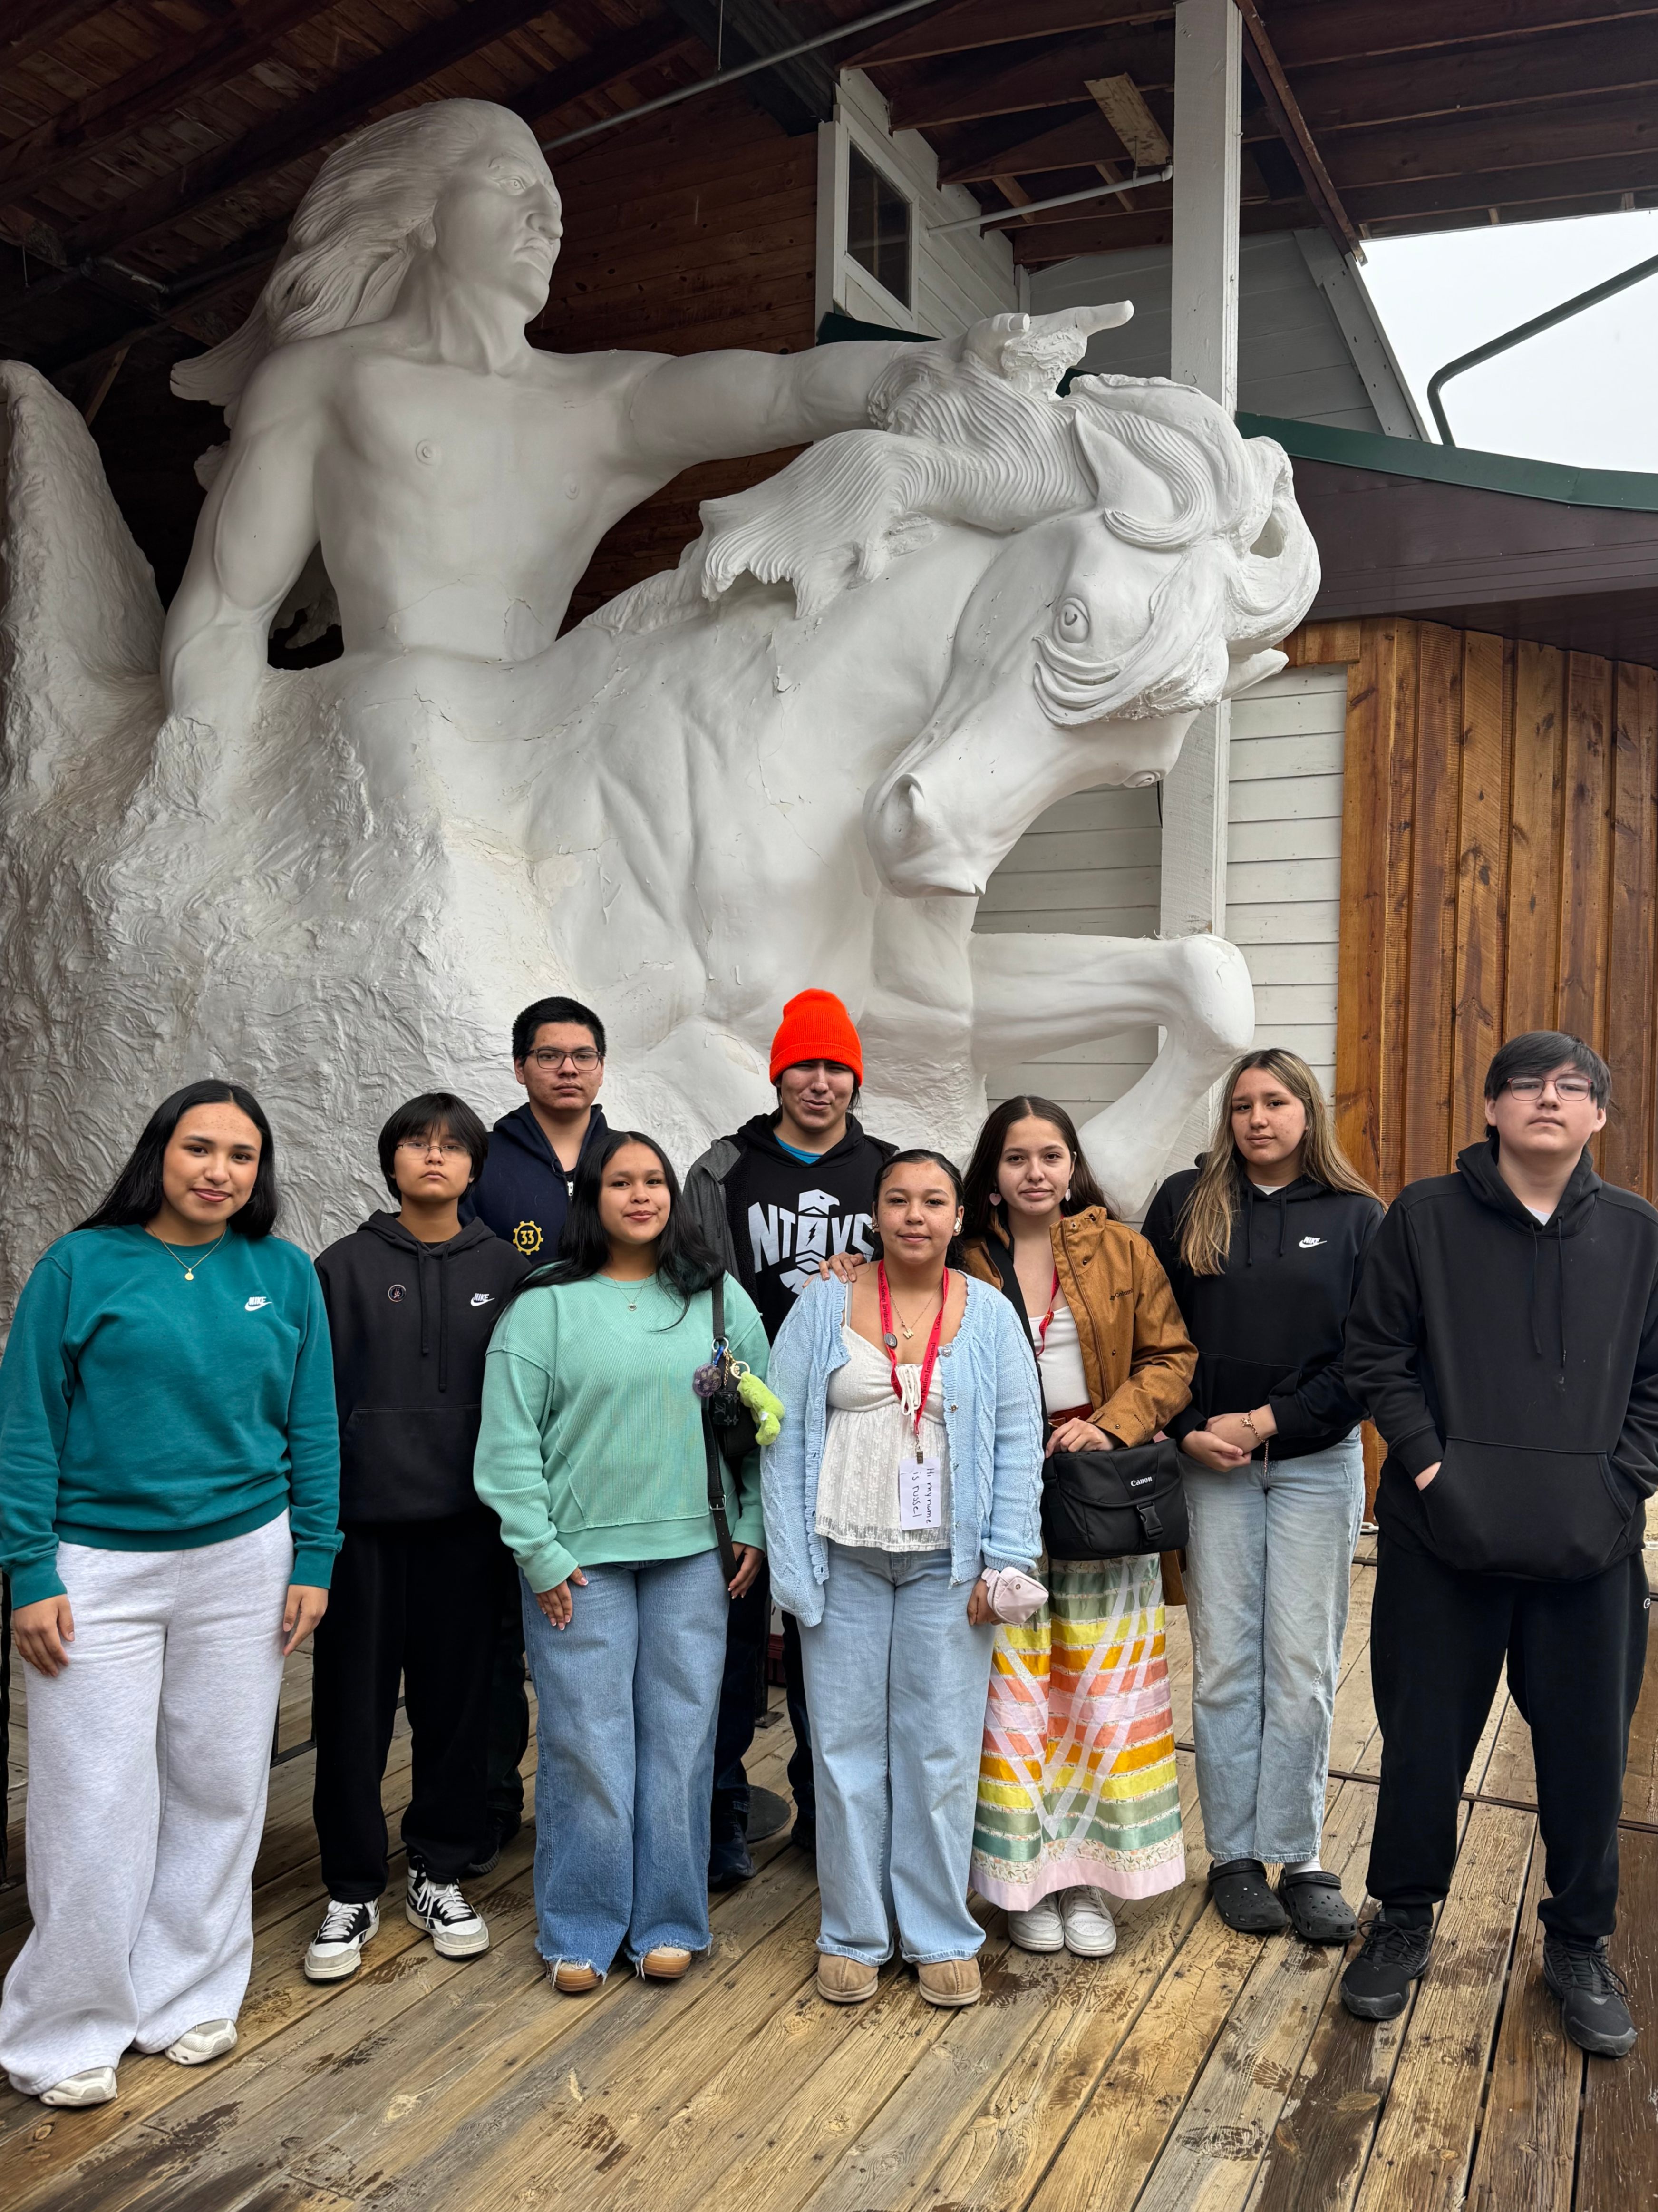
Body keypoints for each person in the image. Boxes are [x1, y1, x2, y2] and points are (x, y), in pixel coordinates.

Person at [0, 1081, 340, 2107]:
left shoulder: (280, 1274)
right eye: (200, 1148)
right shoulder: (80, 1266)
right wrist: (29, 1567)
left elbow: (313, 1424)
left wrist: (315, 1556)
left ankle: (185, 1991)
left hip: (245, 1562)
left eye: (241, 1155)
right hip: (96, 1566)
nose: (218, 1171)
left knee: (219, 1781)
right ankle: (66, 2028)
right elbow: (27, 1424)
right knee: (92, 1795)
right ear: (160, 1153)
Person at [1342, 1033, 1657, 2057]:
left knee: (1585, 1759)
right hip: (1443, 1541)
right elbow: (1376, 1355)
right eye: (1526, 1084)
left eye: (1573, 1089)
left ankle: (1576, 1942)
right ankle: (1401, 1918)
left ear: (1599, 1119)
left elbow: (1654, 1384)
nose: (1549, 1100)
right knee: (1423, 1741)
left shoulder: (1639, 1235)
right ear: (1489, 1107)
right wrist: (1433, 1470)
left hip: (1590, 1548)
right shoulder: (1421, 1220)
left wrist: (1621, 1487)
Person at [473, 1131, 768, 1994]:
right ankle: (582, 1923)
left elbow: (757, 1422)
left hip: (693, 1555)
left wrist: (748, 1523)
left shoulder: (715, 1300)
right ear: (591, 1198)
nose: (639, 1196)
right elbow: (507, 1447)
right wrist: (539, 1553)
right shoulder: (544, 1306)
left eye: (654, 1182)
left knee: (681, 1742)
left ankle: (670, 1919)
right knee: (584, 1744)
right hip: (578, 1565)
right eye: (619, 1182)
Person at [763, 1149, 1042, 2010]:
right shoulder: (821, 1307)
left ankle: (936, 1931)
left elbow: (1015, 1446)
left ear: (959, 1217)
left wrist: (1003, 1563)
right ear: (874, 1215)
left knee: (940, 1750)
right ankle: (853, 1930)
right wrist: (794, 1569)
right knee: (845, 1750)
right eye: (897, 1201)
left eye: (932, 1202)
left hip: (946, 1570)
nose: (915, 1216)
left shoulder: (990, 1315)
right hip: (842, 1556)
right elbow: (781, 1445)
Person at [1142, 1050, 1382, 1945]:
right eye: (1242, 1104)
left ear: (1307, 1112)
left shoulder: (1359, 1219)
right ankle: (1235, 1855)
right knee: (1228, 1659)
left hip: (1315, 1465)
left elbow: (1368, 1357)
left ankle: (1299, 1851)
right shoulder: (1186, 1201)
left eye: (1276, 1102)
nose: (1257, 1119)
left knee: (1303, 1665)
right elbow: (1154, 1329)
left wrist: (1267, 1420)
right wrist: (1194, 1425)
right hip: (1213, 1466)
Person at [960, 1098, 1196, 1957]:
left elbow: (1173, 1358)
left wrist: (1116, 1422)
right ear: (991, 1172)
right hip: (996, 1500)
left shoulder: (1122, 1248)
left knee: (1102, 1693)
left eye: (1051, 1155)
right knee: (1014, 1698)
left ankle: (1093, 1877)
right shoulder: (958, 1256)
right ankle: (1024, 1882)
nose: (1035, 1172)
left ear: (1072, 1166)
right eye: (1017, 1157)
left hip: (1098, 1493)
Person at [303, 1094, 529, 1983]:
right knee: (350, 1713)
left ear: (476, 1168)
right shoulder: (341, 1267)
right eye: (415, 1144)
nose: (433, 1158)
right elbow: (314, 1408)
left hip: (468, 1532)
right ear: (391, 1160)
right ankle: (353, 1885)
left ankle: (438, 1869)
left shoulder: (513, 1271)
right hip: (361, 1531)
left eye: (451, 1147)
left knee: (458, 1708)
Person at [684, 989, 897, 1883]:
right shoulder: (726, 1169)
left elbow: (919, 1286)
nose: (821, 1082)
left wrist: (866, 1276)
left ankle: (828, 1814)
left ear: (854, 1076)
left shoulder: (886, 1169)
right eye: (803, 1065)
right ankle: (722, 1814)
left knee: (830, 1632)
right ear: (778, 1074)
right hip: (741, 1431)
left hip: (850, 1434)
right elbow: (695, 1295)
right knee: (731, 1628)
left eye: (836, 1066)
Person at [462, 993, 610, 1866]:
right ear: (520, 1067)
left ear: (601, 1067)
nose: (567, 1067)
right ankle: (490, 1805)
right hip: (506, 1404)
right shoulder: (484, 1157)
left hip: (596, 1419)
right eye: (549, 1055)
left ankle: (587, 1801)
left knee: (586, 1615)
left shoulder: (624, 1158)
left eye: (582, 1054)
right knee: (494, 1630)